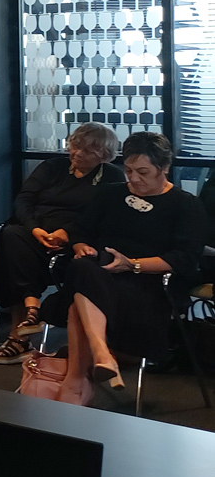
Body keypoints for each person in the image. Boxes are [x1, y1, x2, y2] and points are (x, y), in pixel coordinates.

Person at [42, 132, 208, 404]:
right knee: (83, 267)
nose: (133, 178)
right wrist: (79, 246)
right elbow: (80, 231)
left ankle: (77, 379)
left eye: (143, 172)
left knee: (78, 298)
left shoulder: (185, 205)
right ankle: (101, 354)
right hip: (101, 275)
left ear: (164, 168)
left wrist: (133, 265)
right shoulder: (110, 194)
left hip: (149, 285)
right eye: (129, 170)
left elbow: (184, 259)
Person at [0, 123, 122, 365]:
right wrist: (35, 229)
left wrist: (67, 234)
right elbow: (24, 200)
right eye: (75, 146)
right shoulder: (52, 167)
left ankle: (22, 329)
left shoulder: (112, 177)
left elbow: (102, 216)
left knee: (18, 251)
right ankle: (31, 308)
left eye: (87, 151)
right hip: (36, 231)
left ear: (104, 155)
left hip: (77, 239)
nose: (77, 153)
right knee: (12, 235)